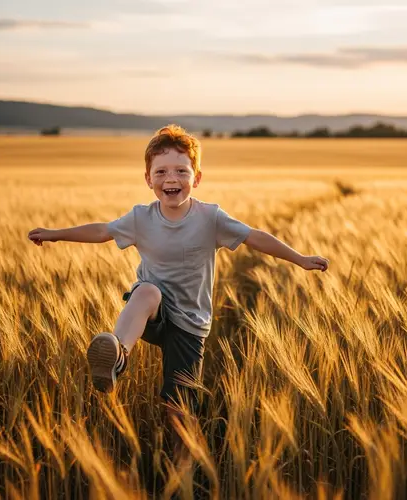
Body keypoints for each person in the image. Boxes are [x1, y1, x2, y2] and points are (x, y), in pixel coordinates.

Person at [27, 124, 329, 424]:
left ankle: (182, 462)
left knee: (179, 411)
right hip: (153, 315)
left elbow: (254, 236)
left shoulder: (211, 218)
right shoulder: (141, 218)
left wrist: (299, 259)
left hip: (190, 324)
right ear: (148, 179)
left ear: (196, 179)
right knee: (146, 291)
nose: (171, 178)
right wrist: (56, 234)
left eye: (181, 171)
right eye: (161, 172)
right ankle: (118, 354)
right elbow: (102, 231)